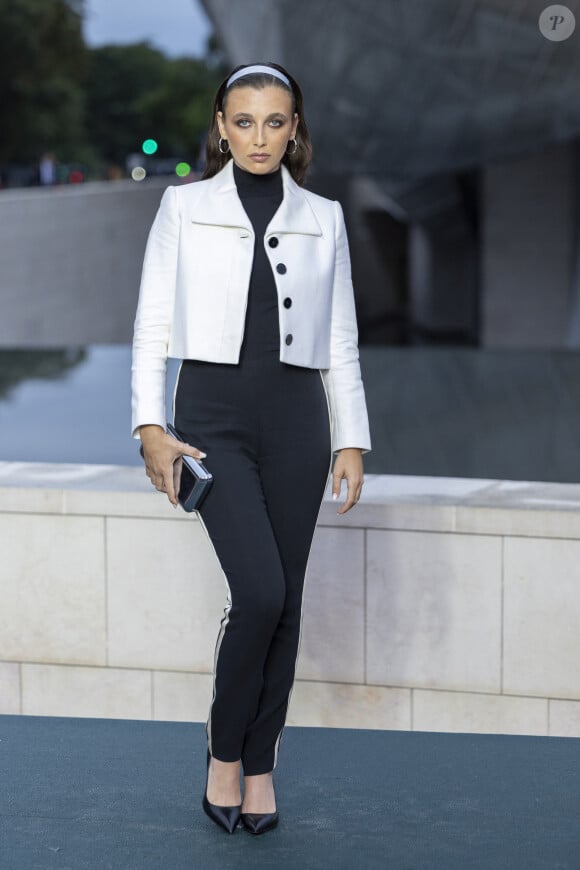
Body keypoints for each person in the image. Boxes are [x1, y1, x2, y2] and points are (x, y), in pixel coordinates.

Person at [131, 61, 372, 836]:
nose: (259, 137)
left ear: (294, 127)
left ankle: (260, 764)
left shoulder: (325, 216)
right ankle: (223, 751)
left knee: (288, 604)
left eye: (275, 122)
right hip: (212, 420)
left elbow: (340, 340)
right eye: (244, 122)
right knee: (260, 594)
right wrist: (148, 428)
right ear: (221, 125)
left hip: (299, 422)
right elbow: (149, 326)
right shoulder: (182, 206)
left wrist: (352, 439)